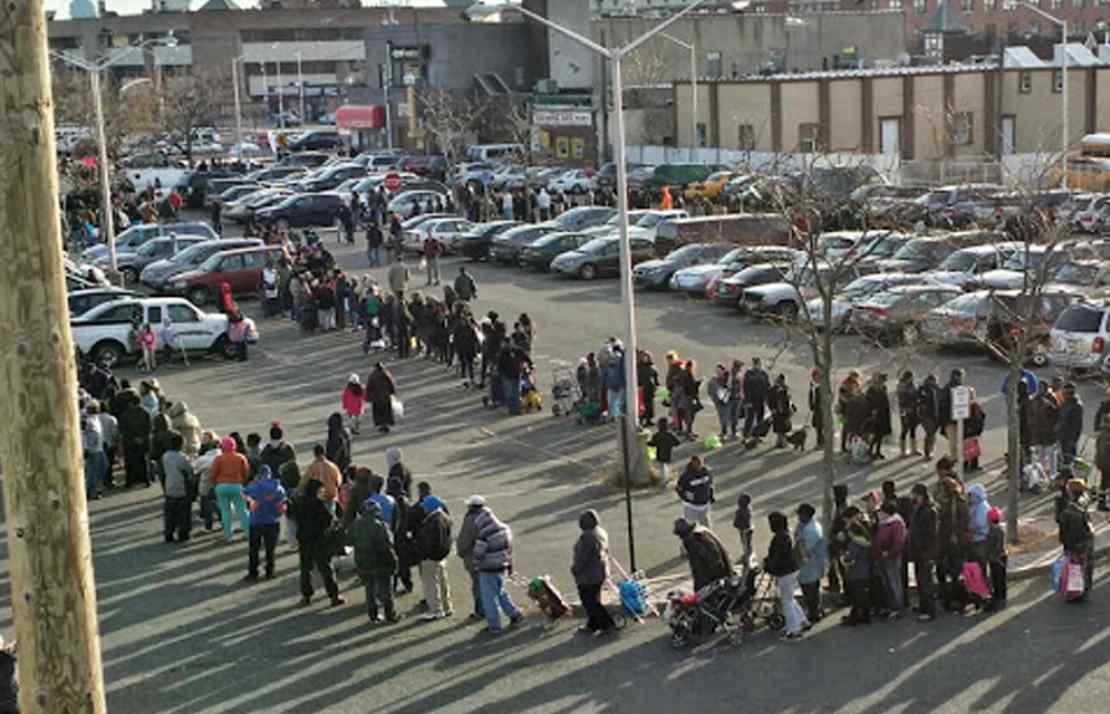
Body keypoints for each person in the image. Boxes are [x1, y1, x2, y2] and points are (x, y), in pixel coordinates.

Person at [471, 502, 523, 633]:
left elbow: (478, 554)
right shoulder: (505, 529)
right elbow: (510, 549)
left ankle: (494, 625)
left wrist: (475, 563)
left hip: (488, 569)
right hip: (502, 566)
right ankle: (515, 614)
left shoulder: (483, 534)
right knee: (501, 592)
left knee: (489, 599)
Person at [294, 479, 345, 607]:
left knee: (306, 569)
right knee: (326, 568)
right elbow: (328, 519)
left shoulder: (299, 502)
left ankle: (306, 596)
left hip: (304, 539)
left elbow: (293, 516)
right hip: (319, 540)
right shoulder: (318, 504)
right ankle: (334, 596)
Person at [349, 499, 400, 623]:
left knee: (369, 589)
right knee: (386, 590)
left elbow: (349, 540)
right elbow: (388, 546)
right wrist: (394, 562)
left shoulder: (356, 524)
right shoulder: (380, 526)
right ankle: (390, 615)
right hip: (380, 561)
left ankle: (373, 615)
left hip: (363, 561)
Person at [765, 511, 808, 641]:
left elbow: (778, 559)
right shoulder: (786, 535)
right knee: (790, 598)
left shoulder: (779, 538)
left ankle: (794, 630)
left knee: (786, 601)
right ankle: (802, 621)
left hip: (785, 573)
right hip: (792, 570)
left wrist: (768, 565)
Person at [571, 509, 616, 635]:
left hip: (589, 575)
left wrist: (575, 569)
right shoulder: (601, 532)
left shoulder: (587, 537)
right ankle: (592, 624)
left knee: (589, 601)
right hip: (600, 571)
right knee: (593, 598)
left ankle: (606, 623)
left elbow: (582, 557)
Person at [413, 495, 454, 620]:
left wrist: (423, 553)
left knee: (430, 584)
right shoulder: (445, 517)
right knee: (443, 583)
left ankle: (436, 610)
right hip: (441, 556)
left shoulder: (433, 520)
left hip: (431, 557)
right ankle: (447, 607)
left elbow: (429, 541)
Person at [243, 464, 286, 582]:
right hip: (273, 521)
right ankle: (270, 572)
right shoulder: (279, 488)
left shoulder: (253, 486)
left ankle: (253, 573)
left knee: (254, 549)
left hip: (256, 521)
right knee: (270, 549)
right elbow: (282, 503)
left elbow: (244, 493)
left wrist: (251, 502)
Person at [1058, 479, 1094, 603]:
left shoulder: (1070, 511)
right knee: (1087, 565)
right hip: (1087, 538)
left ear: (1071, 492)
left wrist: (1066, 545)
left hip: (1076, 543)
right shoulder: (1084, 501)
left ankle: (1075, 593)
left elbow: (1067, 530)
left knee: (1075, 568)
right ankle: (1086, 589)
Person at [211, 435, 251, 542]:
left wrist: (215, 483)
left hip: (221, 486)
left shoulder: (219, 459)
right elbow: (246, 472)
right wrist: (241, 481)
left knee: (225, 511)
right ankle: (249, 532)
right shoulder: (241, 457)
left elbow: (213, 474)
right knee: (242, 510)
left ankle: (227, 535)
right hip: (236, 485)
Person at [907, 483, 939, 621]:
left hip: (925, 552)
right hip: (918, 551)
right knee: (920, 580)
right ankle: (923, 606)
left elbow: (930, 534)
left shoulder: (929, 511)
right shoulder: (919, 508)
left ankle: (930, 610)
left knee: (926, 582)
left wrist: (922, 547)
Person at [673, 518, 732, 591]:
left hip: (716, 576)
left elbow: (711, 562)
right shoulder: (702, 531)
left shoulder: (693, 541)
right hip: (723, 571)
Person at [840, 506, 873, 625]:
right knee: (862, 595)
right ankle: (862, 615)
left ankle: (858, 617)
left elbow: (850, 558)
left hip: (856, 572)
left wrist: (843, 559)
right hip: (864, 570)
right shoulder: (865, 540)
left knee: (858, 597)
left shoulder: (855, 544)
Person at [874, 500, 907, 619]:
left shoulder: (896, 524)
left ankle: (898, 608)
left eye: (881, 511)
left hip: (892, 558)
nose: (878, 514)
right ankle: (891, 606)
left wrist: (889, 553)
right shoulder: (884, 522)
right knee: (888, 583)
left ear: (886, 512)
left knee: (894, 583)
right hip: (884, 557)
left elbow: (899, 543)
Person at [795, 503, 826, 625]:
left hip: (809, 565)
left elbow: (803, 549)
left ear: (806, 516)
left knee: (810, 591)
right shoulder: (809, 525)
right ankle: (817, 609)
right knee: (813, 589)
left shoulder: (810, 531)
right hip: (813, 565)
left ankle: (814, 613)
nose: (798, 517)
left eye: (800, 514)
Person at [456, 495, 487, 621]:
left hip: (475, 558)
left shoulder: (470, 520)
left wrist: (461, 552)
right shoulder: (488, 516)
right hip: (489, 556)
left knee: (478, 586)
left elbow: (464, 540)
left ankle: (481, 611)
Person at [161, 433, 194, 543]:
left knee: (170, 513)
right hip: (181, 487)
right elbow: (189, 470)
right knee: (183, 513)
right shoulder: (182, 457)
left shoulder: (165, 455)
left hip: (169, 486)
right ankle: (183, 534)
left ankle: (168, 533)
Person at [303, 444, 342, 515]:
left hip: (318, 498)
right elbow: (338, 482)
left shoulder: (312, 467)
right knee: (331, 516)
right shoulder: (333, 466)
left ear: (315, 454)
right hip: (331, 496)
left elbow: (304, 482)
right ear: (324, 453)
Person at [675, 455, 713, 528]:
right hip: (691, 507)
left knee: (707, 529)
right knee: (691, 529)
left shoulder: (706, 472)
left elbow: (710, 483)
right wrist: (686, 497)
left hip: (704, 506)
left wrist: (710, 496)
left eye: (701, 463)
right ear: (693, 463)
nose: (700, 465)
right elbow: (679, 488)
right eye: (697, 463)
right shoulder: (686, 476)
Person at [647, 417, 681, 490]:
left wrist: (646, 441)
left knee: (662, 467)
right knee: (665, 466)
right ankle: (665, 481)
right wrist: (670, 444)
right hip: (668, 453)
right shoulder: (670, 435)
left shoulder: (656, 435)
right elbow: (677, 443)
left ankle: (664, 482)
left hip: (660, 453)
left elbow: (652, 444)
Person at [1056, 383, 1084, 471]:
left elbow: (1077, 425)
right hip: (1063, 436)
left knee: (1069, 459)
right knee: (1063, 458)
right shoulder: (1066, 403)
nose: (1062, 394)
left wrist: (1073, 439)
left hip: (1069, 438)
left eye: (1064, 392)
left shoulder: (1076, 405)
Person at [985, 506, 1007, 611]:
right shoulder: (999, 529)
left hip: (996, 558)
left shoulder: (993, 530)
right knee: (1001, 579)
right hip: (1001, 556)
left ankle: (998, 600)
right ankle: (1002, 597)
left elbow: (996, 546)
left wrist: (992, 556)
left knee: (997, 579)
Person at [866, 373, 892, 459]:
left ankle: (877, 451)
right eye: (881, 380)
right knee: (876, 434)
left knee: (881, 434)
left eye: (883, 381)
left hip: (883, 414)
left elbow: (885, 400)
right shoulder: (871, 390)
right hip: (875, 414)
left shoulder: (883, 388)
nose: (883, 382)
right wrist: (872, 410)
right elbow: (868, 401)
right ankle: (870, 450)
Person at [742, 358, 769, 438]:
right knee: (749, 419)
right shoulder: (749, 373)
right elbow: (746, 387)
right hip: (751, 400)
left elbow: (767, 386)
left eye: (758, 364)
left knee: (760, 419)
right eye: (755, 363)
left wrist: (766, 399)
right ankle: (746, 435)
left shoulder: (763, 373)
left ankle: (757, 436)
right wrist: (748, 401)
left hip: (761, 400)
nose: (757, 365)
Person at [916, 373, 942, 460]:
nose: (936, 382)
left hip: (935, 415)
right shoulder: (923, 389)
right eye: (934, 380)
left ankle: (930, 450)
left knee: (932, 434)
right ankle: (927, 452)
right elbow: (919, 401)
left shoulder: (937, 389)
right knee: (930, 433)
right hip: (927, 415)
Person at [367, 362, 397, 434]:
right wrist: (392, 392)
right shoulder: (386, 374)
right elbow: (391, 383)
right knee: (386, 411)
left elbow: (369, 387)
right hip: (386, 396)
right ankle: (386, 425)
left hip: (376, 397)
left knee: (379, 412)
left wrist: (369, 396)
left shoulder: (372, 375)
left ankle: (381, 425)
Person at [896, 370, 920, 457]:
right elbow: (901, 399)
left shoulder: (912, 385)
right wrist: (905, 410)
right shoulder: (902, 386)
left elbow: (916, 394)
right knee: (904, 430)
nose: (912, 379)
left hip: (913, 410)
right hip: (905, 411)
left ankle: (913, 449)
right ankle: (902, 451)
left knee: (913, 429)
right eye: (911, 377)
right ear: (908, 377)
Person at [767, 373, 793, 448]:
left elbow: (788, 400)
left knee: (783, 428)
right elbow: (770, 400)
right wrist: (772, 409)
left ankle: (782, 442)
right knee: (779, 428)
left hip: (784, 411)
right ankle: (780, 442)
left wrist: (790, 408)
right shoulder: (773, 390)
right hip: (778, 411)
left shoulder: (785, 389)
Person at [734, 493, 754, 570]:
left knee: (746, 544)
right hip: (747, 530)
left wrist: (738, 524)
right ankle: (747, 556)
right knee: (747, 544)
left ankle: (748, 560)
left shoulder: (742, 511)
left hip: (745, 530)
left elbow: (743, 522)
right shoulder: (747, 509)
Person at [808, 368, 824, 449]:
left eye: (816, 376)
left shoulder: (823, 386)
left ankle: (820, 443)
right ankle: (821, 442)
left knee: (820, 426)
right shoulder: (812, 385)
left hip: (822, 409)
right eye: (814, 376)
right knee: (817, 426)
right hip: (816, 409)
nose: (815, 378)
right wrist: (811, 405)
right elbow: (811, 396)